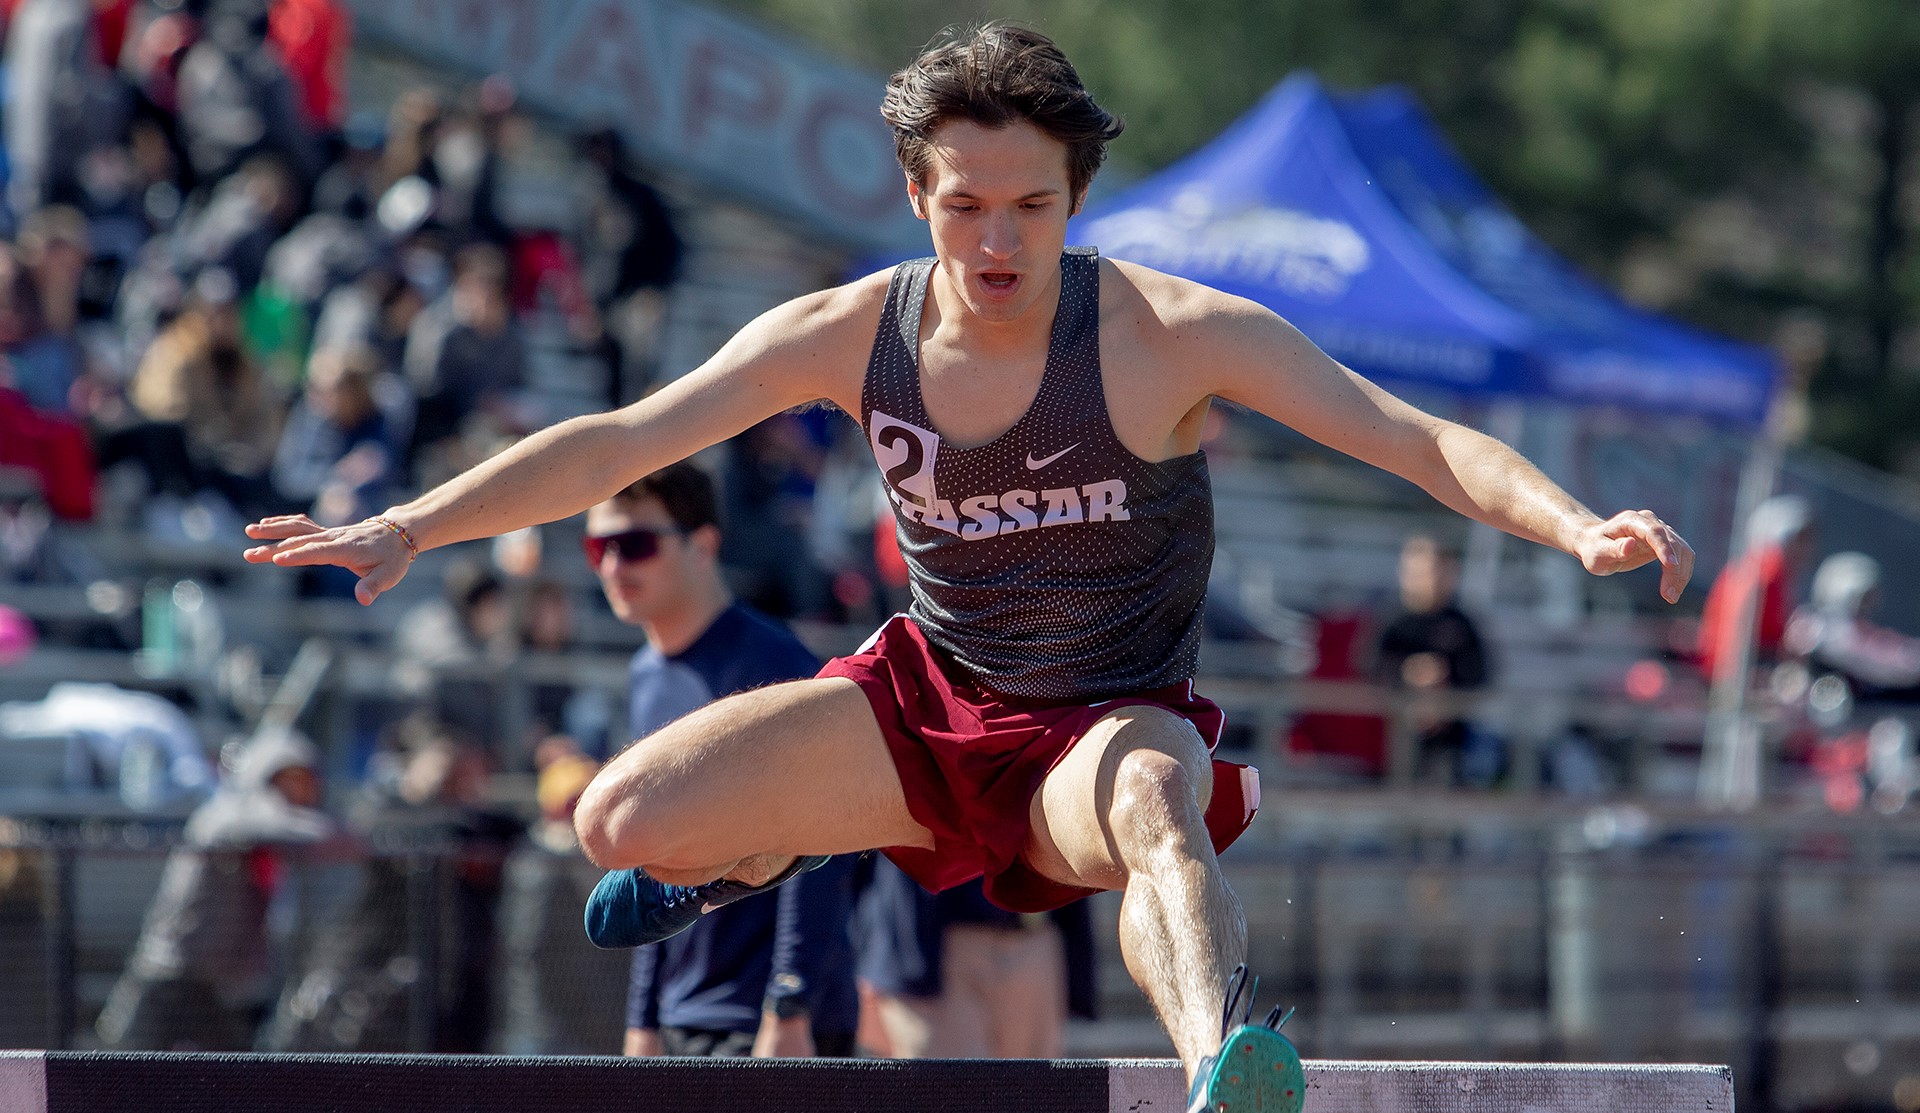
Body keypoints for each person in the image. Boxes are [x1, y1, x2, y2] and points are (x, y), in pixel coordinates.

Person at [243, 25, 1694, 1111]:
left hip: (1102, 721)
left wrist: (1574, 523)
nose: (998, 242)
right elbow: (626, 433)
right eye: (964, 207)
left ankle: (1223, 1074)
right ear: (916, 194)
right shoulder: (847, 331)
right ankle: (764, 849)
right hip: (929, 706)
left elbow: (1419, 441)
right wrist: (410, 525)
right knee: (620, 822)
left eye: (1032, 208)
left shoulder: (1172, 333)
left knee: (1150, 799)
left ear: (1078, 199)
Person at [581, 463, 859, 1059]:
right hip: (686, 1011)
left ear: (703, 544)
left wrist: (790, 1004)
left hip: (770, 1022)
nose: (612, 566)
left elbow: (821, 846)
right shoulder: (644, 675)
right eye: (598, 546)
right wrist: (645, 1017)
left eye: (635, 544)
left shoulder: (774, 661)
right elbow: (649, 854)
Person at [96, 727, 348, 1050]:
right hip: (168, 975)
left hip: (215, 987)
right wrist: (341, 833)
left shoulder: (275, 831)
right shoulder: (224, 814)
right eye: (288, 780)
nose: (299, 793)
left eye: (305, 782)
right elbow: (279, 826)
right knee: (119, 1077)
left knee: (234, 1085)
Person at [1372, 535, 1496, 787]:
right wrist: (1409, 677)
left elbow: (1480, 674)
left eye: (1436, 571)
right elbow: (1371, 668)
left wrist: (1443, 683)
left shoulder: (1461, 624)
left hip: (1451, 741)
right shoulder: (1391, 622)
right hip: (1393, 737)